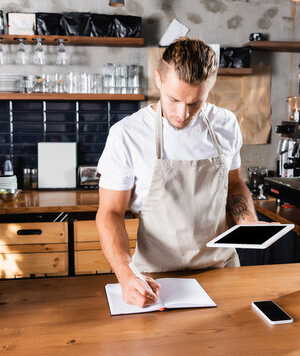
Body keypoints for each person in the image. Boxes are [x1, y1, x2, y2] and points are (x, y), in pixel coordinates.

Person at [96, 37, 262, 308]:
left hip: (221, 269)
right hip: (156, 279)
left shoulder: (226, 124)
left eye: (195, 103)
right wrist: (126, 275)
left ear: (211, 86)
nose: (182, 114)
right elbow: (110, 212)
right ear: (159, 79)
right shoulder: (127, 134)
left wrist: (248, 222)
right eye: (173, 99)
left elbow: (233, 185)